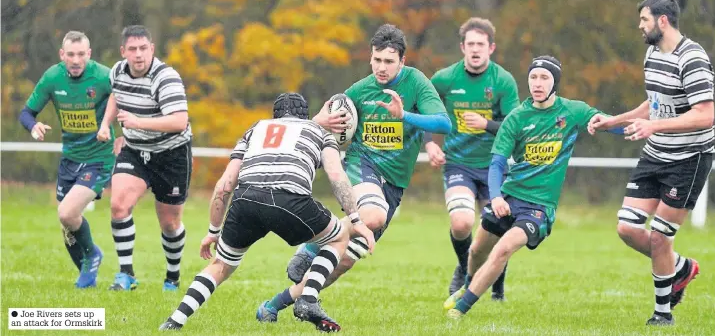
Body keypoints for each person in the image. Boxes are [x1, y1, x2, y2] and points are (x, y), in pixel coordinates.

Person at [255, 24, 451, 322]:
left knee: (344, 260)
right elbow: (325, 122)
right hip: (362, 165)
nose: (381, 67)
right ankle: (311, 246)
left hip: (394, 183)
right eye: (376, 60)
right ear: (370, 58)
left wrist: (404, 115)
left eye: (388, 61)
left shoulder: (416, 83)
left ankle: (275, 305)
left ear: (402, 61)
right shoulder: (358, 91)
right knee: (372, 216)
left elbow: (443, 124)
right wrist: (319, 120)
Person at [158, 93, 375, 332]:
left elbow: (225, 184)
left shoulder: (255, 129)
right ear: (306, 115)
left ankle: (174, 321)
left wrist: (213, 231)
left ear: (276, 116)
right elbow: (337, 177)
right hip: (289, 199)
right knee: (339, 236)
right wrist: (356, 218)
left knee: (221, 265)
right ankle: (308, 299)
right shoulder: (320, 133)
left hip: (245, 200)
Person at [446, 55, 612, 319]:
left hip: (539, 206)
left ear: (555, 82)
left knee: (503, 249)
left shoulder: (572, 111)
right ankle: (468, 283)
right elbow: (497, 165)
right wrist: (497, 196)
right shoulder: (517, 118)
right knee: (477, 249)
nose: (537, 83)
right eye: (533, 77)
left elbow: (608, 123)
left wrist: (641, 125)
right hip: (510, 196)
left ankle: (459, 310)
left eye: (544, 78)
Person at [589, 0, 714, 326]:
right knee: (627, 228)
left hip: (688, 159)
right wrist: (613, 120)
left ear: (662, 21)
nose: (639, 26)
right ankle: (681, 268)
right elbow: (654, 103)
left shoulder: (692, 58)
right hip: (655, 153)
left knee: (659, 237)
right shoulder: (652, 53)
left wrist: (654, 125)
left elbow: (705, 116)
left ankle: (663, 315)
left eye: (644, 20)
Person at [425, 17, 520, 304]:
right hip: (459, 164)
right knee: (462, 223)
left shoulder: (503, 81)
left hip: (495, 165)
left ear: (491, 48)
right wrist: (429, 144)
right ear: (462, 47)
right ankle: (463, 269)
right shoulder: (444, 79)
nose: (475, 49)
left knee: (497, 227)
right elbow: (425, 111)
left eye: (481, 44)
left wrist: (486, 124)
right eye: (471, 44)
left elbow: (514, 127)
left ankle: (497, 290)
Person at [97, 25, 193, 292]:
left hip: (171, 155)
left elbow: (179, 121)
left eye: (143, 48)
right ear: (123, 51)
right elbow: (116, 96)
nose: (138, 55)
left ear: (151, 49)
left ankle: (172, 278)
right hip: (135, 150)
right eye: (132, 49)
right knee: (118, 206)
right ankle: (126, 275)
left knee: (170, 224)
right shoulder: (117, 71)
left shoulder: (166, 77)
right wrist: (105, 125)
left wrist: (137, 121)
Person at [18, 31, 117, 288]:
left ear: (89, 54)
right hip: (69, 158)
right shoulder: (53, 77)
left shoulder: (105, 76)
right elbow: (27, 113)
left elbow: (126, 101)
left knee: (67, 212)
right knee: (68, 225)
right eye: (70, 54)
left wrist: (118, 133)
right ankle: (87, 277)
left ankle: (93, 254)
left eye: (81, 54)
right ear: (62, 55)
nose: (75, 60)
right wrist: (33, 126)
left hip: (99, 158)